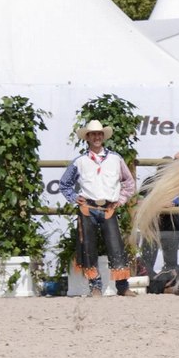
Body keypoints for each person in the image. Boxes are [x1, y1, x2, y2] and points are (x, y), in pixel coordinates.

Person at [59, 119, 137, 297]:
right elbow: (64, 184)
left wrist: (121, 200)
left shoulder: (116, 159)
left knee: (116, 246)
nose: (97, 137)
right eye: (93, 134)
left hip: (108, 207)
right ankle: (95, 285)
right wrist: (74, 198)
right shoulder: (80, 161)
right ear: (87, 137)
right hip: (88, 206)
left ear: (103, 136)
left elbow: (129, 182)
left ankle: (122, 286)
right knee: (88, 247)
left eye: (99, 134)